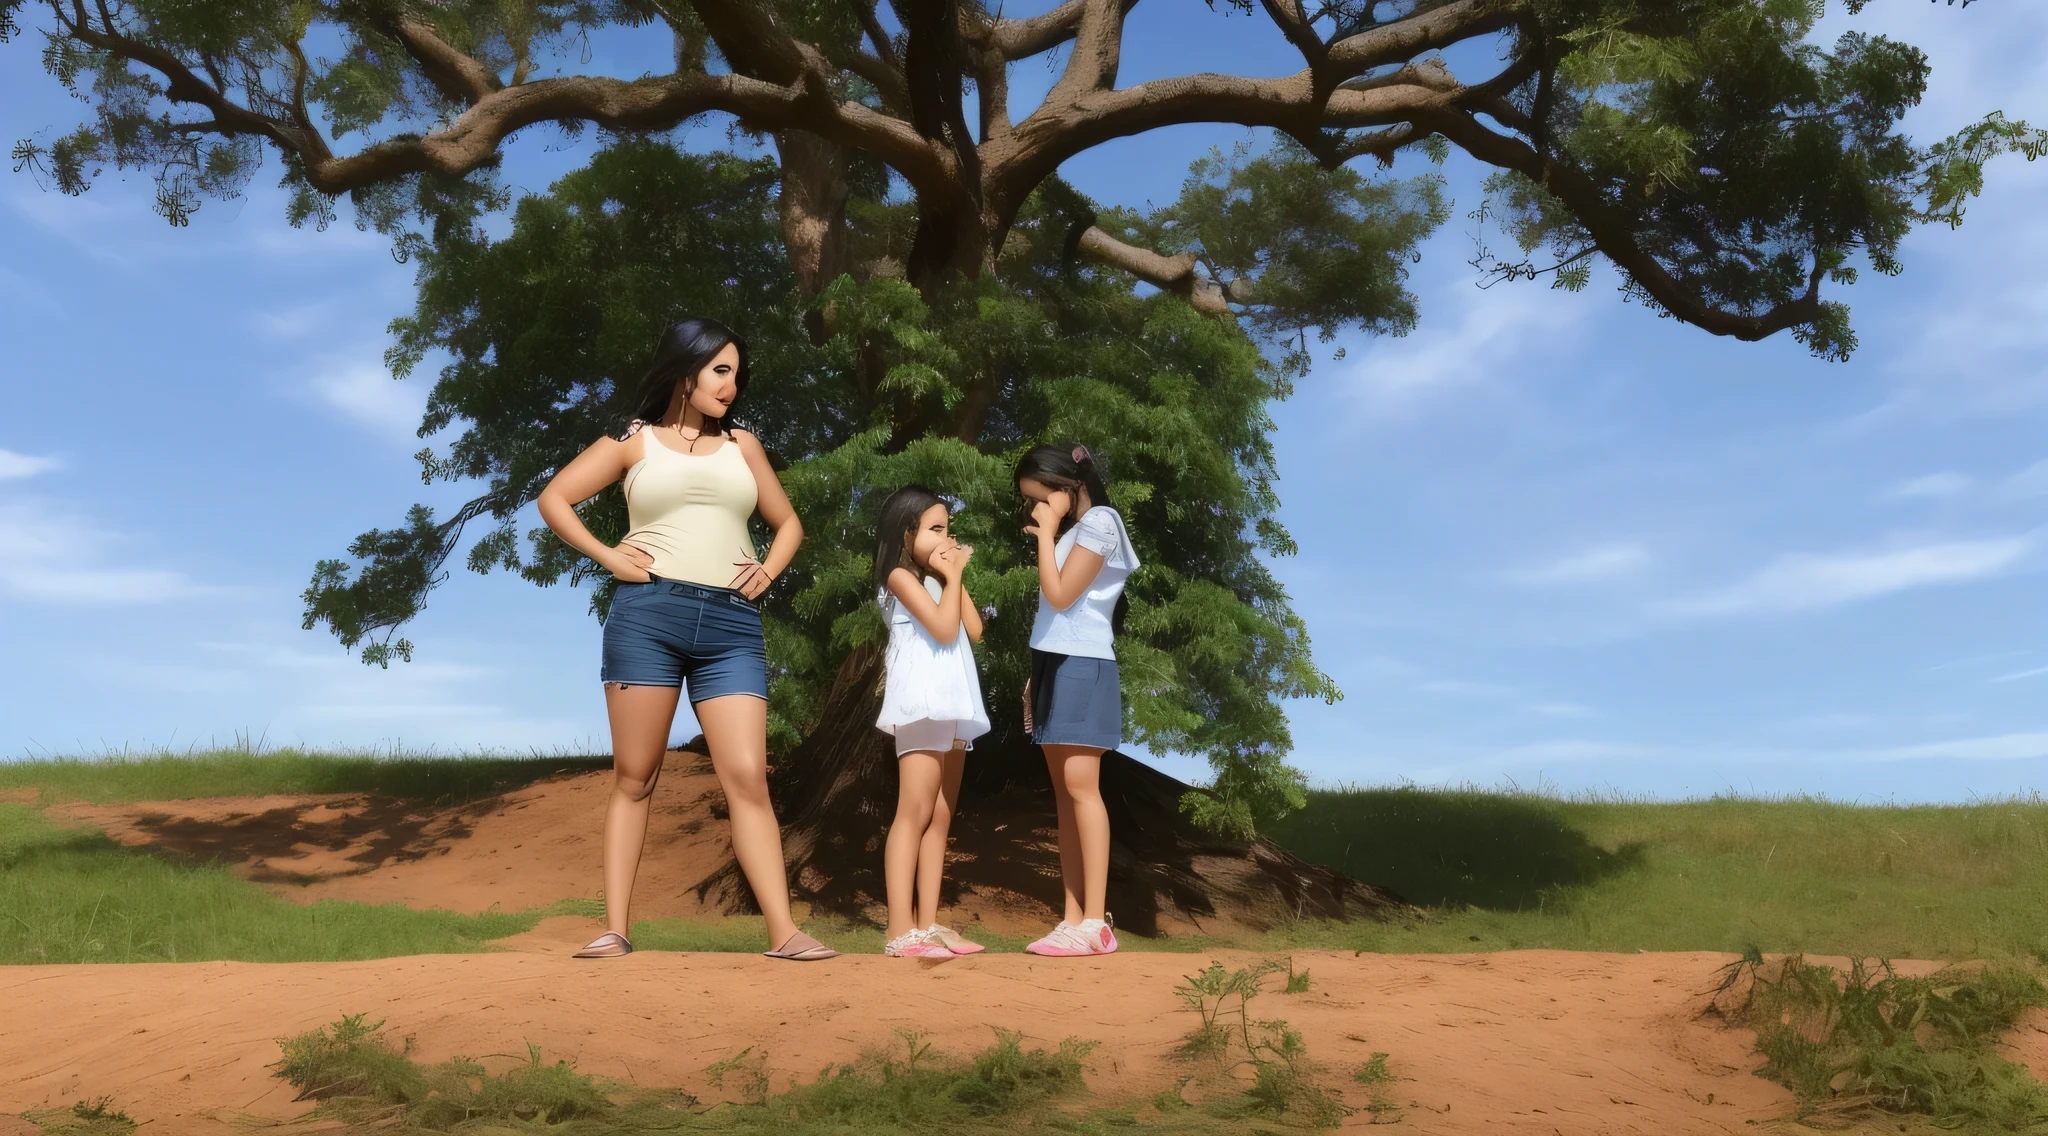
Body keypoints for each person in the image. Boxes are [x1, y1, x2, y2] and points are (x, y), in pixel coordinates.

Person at [536, 318, 836, 962]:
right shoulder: (633, 440)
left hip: (731, 625)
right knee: (636, 776)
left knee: (748, 777)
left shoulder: (744, 446)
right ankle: (614, 929)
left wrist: (769, 571)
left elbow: (789, 525)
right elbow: (555, 498)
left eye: (737, 373)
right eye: (720, 370)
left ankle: (783, 933)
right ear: (686, 373)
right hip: (649, 615)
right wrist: (609, 557)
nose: (732, 385)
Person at [1015, 443, 1140, 957]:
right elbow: (1052, 612)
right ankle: (1071, 919)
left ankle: (1096, 921)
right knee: (1064, 796)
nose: (1035, 509)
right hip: (1053, 663)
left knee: (1081, 786)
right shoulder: (1070, 533)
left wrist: (1046, 535)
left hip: (1085, 663)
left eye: (1039, 498)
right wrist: (1033, 675)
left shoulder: (1102, 524)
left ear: (1065, 485)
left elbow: (1063, 595)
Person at [870, 487, 992, 960]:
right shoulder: (899, 576)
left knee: (940, 815)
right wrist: (954, 570)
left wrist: (951, 574)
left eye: (948, 528)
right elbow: (943, 629)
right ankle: (900, 930)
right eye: (935, 529)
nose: (947, 537)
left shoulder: (940, 578)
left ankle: (928, 923)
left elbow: (974, 629)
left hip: (953, 700)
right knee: (914, 811)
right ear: (906, 532)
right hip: (921, 700)